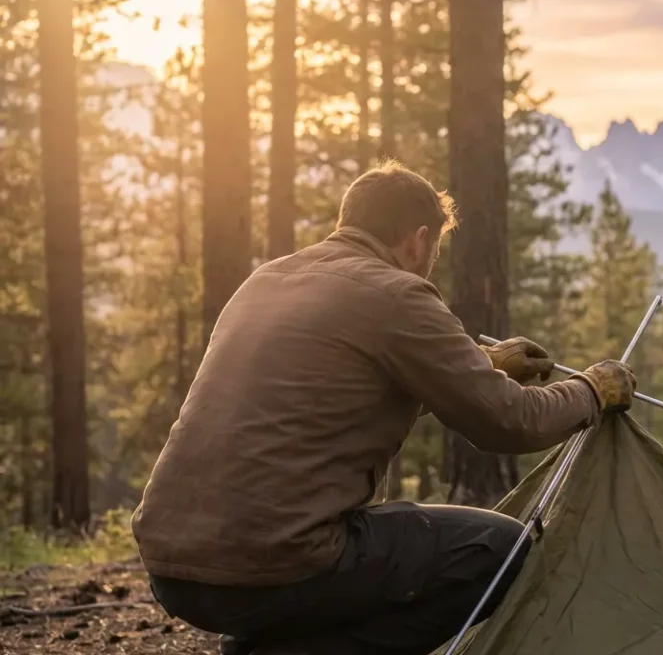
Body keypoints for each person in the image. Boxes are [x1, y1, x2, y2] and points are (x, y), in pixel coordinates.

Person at [131, 162, 637, 655]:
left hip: (172, 567)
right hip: (277, 566)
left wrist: (486, 365)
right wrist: (592, 390)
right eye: (434, 249)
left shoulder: (267, 280)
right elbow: (509, 422)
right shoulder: (397, 292)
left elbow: (334, 394)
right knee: (500, 550)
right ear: (419, 239)